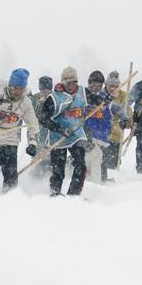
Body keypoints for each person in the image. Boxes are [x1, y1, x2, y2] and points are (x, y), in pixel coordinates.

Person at [0, 68, 40, 192]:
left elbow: (33, 124)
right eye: (15, 88)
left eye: (21, 89)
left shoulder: (26, 102)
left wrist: (32, 142)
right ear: (10, 85)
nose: (17, 92)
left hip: (11, 143)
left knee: (11, 178)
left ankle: (10, 201)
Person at [41, 67, 89, 196]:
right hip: (58, 138)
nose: (71, 86)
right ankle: (55, 193)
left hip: (76, 136)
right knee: (58, 169)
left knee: (80, 165)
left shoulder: (83, 92)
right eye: (68, 83)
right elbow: (43, 119)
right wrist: (60, 129)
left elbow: (96, 100)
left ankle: (73, 193)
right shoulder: (54, 97)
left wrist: (105, 100)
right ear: (63, 82)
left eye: (73, 82)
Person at [83, 70, 114, 183]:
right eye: (93, 83)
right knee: (88, 162)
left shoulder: (106, 99)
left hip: (101, 138)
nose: (96, 86)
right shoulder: (83, 96)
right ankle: (90, 185)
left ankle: (98, 185)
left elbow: (109, 117)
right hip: (86, 137)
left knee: (99, 165)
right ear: (89, 83)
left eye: (99, 84)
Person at [102, 71, 132, 182]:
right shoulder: (101, 95)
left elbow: (127, 112)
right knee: (102, 158)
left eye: (115, 86)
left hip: (117, 132)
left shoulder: (123, 96)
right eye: (110, 86)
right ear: (106, 85)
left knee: (113, 162)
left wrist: (128, 121)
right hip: (103, 131)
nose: (113, 88)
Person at [29, 75, 54, 177]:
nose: (45, 92)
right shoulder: (34, 99)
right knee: (38, 157)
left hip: (51, 133)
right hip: (37, 133)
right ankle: (36, 177)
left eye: (48, 89)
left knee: (50, 158)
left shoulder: (54, 98)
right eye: (43, 89)